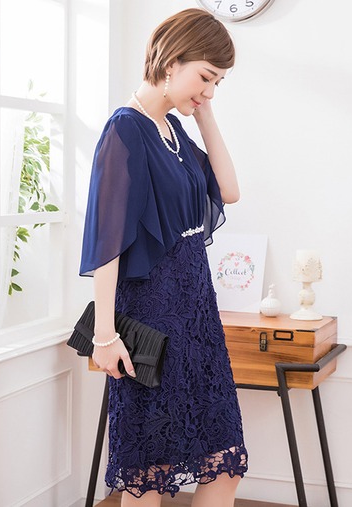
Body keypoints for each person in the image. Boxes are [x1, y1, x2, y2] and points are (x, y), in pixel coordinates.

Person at [79, 8, 248, 507]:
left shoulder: (171, 127)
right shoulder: (125, 129)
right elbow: (106, 241)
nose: (210, 90)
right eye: (206, 77)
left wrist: (203, 112)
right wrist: (104, 335)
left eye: (218, 83)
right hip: (150, 317)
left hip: (198, 317)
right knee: (149, 473)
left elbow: (229, 190)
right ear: (172, 62)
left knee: (224, 462)